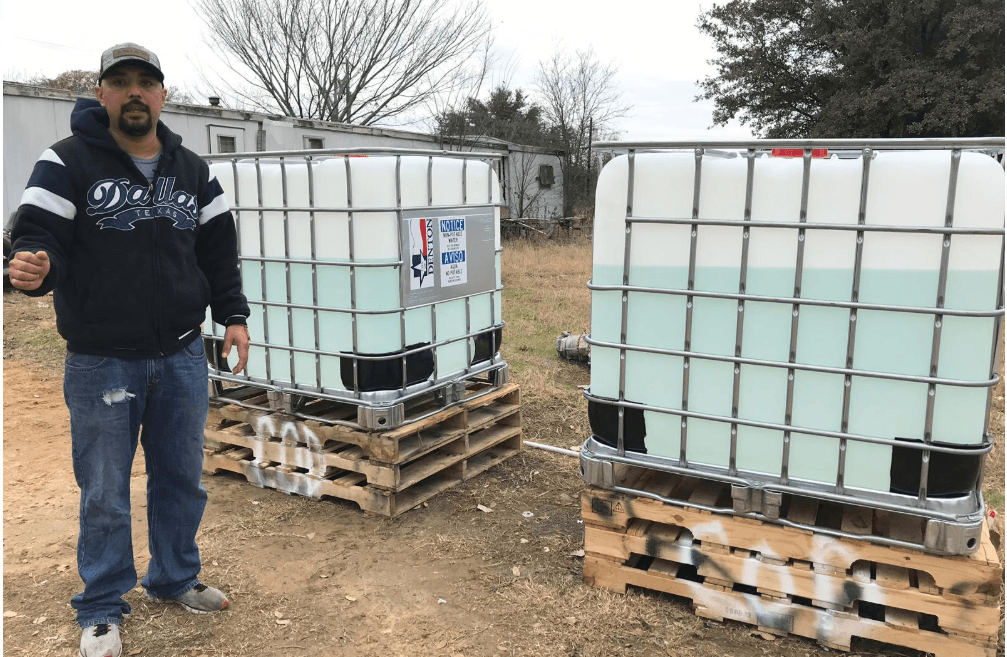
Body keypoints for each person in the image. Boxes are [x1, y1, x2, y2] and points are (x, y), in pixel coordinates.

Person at [9, 43, 250, 657]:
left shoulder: (192, 169)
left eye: (147, 82)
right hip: (101, 358)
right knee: (105, 488)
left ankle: (173, 577)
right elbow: (39, 234)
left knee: (179, 478)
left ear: (163, 96)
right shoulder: (66, 162)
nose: (135, 92)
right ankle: (101, 605)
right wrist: (35, 266)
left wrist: (233, 318)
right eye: (121, 82)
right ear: (102, 94)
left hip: (181, 354)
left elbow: (219, 251)